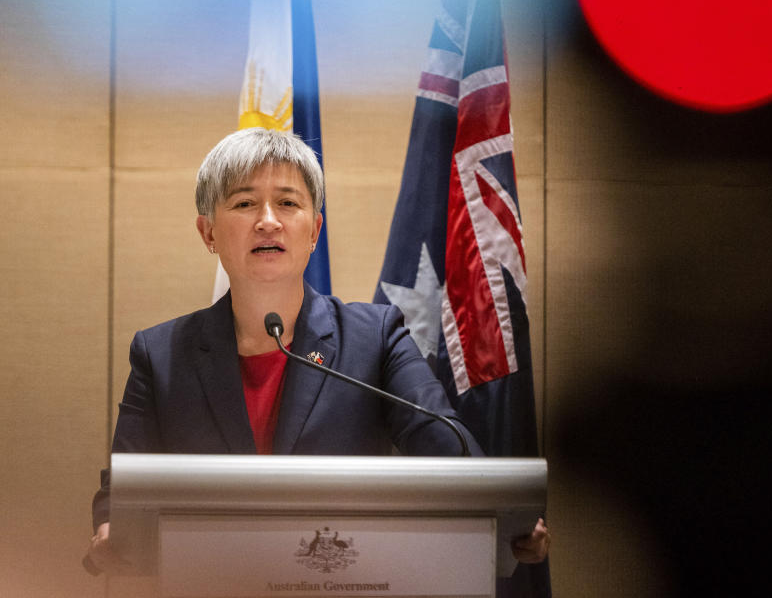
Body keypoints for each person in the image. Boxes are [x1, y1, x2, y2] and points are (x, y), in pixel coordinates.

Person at [85, 128, 548, 574]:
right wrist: (109, 527)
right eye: (245, 203)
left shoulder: (375, 337)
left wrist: (503, 509)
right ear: (208, 232)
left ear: (314, 230)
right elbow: (123, 489)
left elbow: (447, 449)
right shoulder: (160, 353)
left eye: (288, 203)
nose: (268, 219)